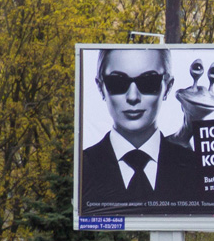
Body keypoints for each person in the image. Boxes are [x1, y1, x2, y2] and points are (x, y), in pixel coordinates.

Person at [81, 47, 205, 210]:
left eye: (148, 82)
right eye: (118, 83)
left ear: (167, 86)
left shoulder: (195, 168)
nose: (133, 97)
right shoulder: (83, 168)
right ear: (100, 86)